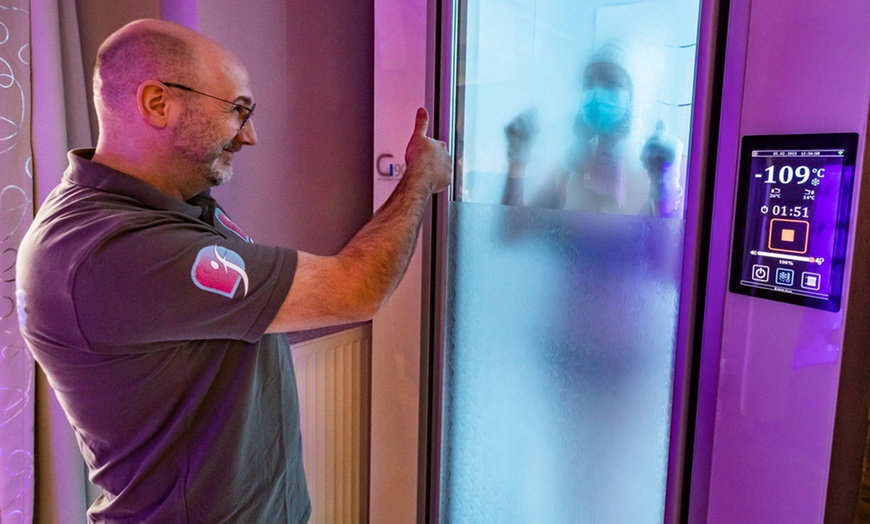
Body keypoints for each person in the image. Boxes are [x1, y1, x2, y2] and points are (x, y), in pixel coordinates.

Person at [15, 18, 451, 523]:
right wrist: (419, 178)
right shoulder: (113, 250)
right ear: (158, 103)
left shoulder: (171, 202)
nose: (250, 136)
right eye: (238, 110)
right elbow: (356, 290)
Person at [502, 40, 684, 217]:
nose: (596, 94)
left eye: (611, 83)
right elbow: (515, 230)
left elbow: (669, 236)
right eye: (588, 84)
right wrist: (517, 160)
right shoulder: (570, 165)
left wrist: (664, 185)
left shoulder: (654, 167)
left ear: (636, 96)